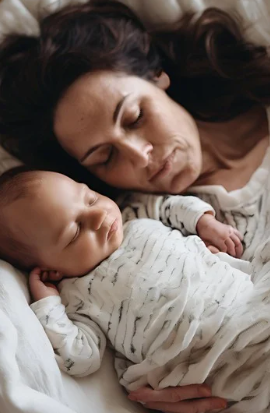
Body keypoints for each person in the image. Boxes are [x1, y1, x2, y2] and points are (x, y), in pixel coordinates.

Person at [0, 0, 270, 411]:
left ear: (158, 77)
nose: (141, 156)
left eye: (134, 116)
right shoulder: (129, 228)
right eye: (104, 158)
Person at [0, 168, 253, 413]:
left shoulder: (133, 218)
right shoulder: (77, 298)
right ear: (51, 271)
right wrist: (48, 305)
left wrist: (203, 221)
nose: (99, 215)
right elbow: (80, 358)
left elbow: (168, 206)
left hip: (248, 306)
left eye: (90, 198)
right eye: (76, 231)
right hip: (207, 365)